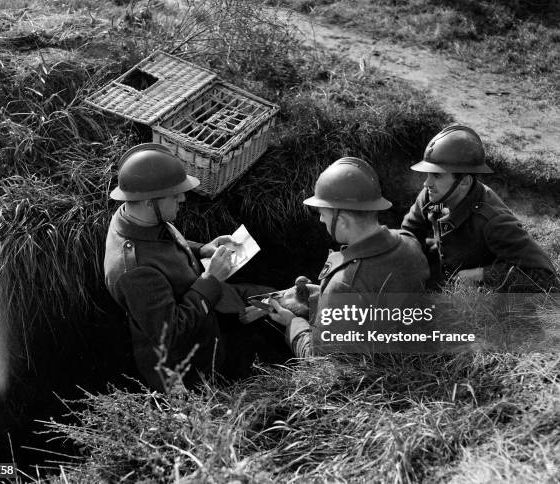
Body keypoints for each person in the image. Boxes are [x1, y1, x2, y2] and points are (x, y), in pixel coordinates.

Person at [104, 143, 285, 391]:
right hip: (190, 364)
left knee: (275, 299)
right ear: (148, 201)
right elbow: (172, 333)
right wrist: (210, 278)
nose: (182, 197)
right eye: (174, 193)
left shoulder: (134, 216)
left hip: (208, 312)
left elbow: (160, 243)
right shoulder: (134, 272)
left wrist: (202, 249)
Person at [267, 157, 430, 357]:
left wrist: (295, 324)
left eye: (323, 213)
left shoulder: (344, 284)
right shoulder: (410, 242)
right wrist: (320, 299)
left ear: (342, 221)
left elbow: (320, 363)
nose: (320, 219)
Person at [401, 125, 558, 291]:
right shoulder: (431, 195)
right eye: (428, 174)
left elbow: (544, 275)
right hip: (440, 277)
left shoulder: (493, 220)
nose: (427, 183)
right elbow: (410, 231)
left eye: (437, 175)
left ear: (464, 182)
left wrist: (481, 274)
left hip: (478, 297)